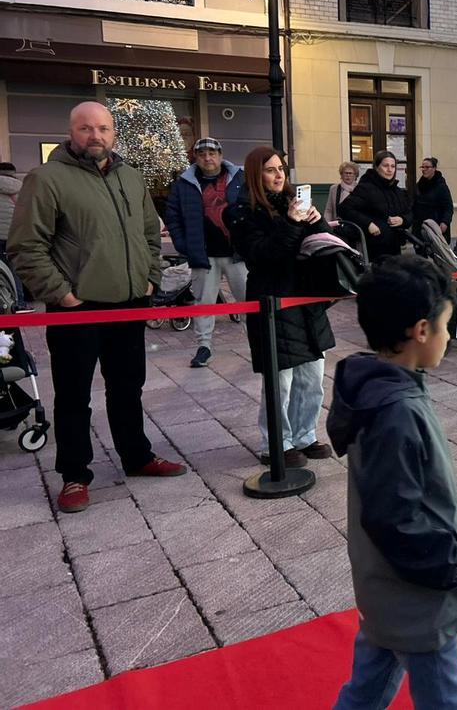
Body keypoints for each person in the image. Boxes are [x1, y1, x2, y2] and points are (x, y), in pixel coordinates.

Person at [9, 102, 185, 513]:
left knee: (128, 387)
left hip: (129, 305)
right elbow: (26, 246)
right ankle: (74, 474)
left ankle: (137, 455)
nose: (95, 136)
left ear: (114, 133)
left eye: (103, 128)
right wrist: (62, 294)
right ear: (71, 132)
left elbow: (150, 234)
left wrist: (150, 277)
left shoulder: (130, 176)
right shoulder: (47, 179)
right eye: (86, 128)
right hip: (79, 310)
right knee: (73, 394)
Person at [327, 256, 457, 710]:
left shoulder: (383, 390)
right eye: (446, 326)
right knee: (445, 698)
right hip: (418, 593)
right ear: (422, 330)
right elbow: (394, 514)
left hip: (387, 586)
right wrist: (451, 565)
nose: (449, 337)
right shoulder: (398, 410)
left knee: (369, 687)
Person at [225, 146, 335, 468]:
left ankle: (305, 435)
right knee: (280, 379)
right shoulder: (241, 212)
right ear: (255, 174)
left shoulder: (294, 203)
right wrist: (290, 222)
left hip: (305, 299)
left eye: (281, 169)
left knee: (312, 376)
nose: (278, 175)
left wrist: (317, 222)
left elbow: (323, 245)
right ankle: (275, 443)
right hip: (273, 298)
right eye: (270, 170)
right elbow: (263, 254)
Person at [164, 137, 248, 369]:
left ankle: (257, 342)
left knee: (248, 300)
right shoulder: (184, 184)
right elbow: (173, 215)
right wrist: (184, 245)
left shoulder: (239, 178)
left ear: (220, 155)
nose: (207, 158)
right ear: (196, 158)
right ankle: (204, 346)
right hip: (203, 255)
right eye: (202, 154)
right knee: (204, 303)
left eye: (212, 153)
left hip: (236, 253)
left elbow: (251, 208)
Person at [337, 151, 411, 259]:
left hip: (396, 246)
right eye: (385, 166)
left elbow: (409, 212)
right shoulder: (366, 188)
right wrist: (368, 223)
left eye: (393, 166)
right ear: (376, 167)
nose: (390, 170)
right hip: (373, 248)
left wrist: (402, 220)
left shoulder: (397, 191)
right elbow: (345, 209)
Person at [0, 162, 27, 308]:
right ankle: (20, 304)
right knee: (15, 271)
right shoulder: (20, 189)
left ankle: (3, 303)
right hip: (14, 236)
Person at [412, 157, 454, 240]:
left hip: (436, 227)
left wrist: (445, 222)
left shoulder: (441, 186)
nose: (424, 170)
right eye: (422, 167)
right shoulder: (419, 185)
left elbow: (448, 207)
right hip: (420, 226)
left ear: (434, 168)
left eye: (427, 167)